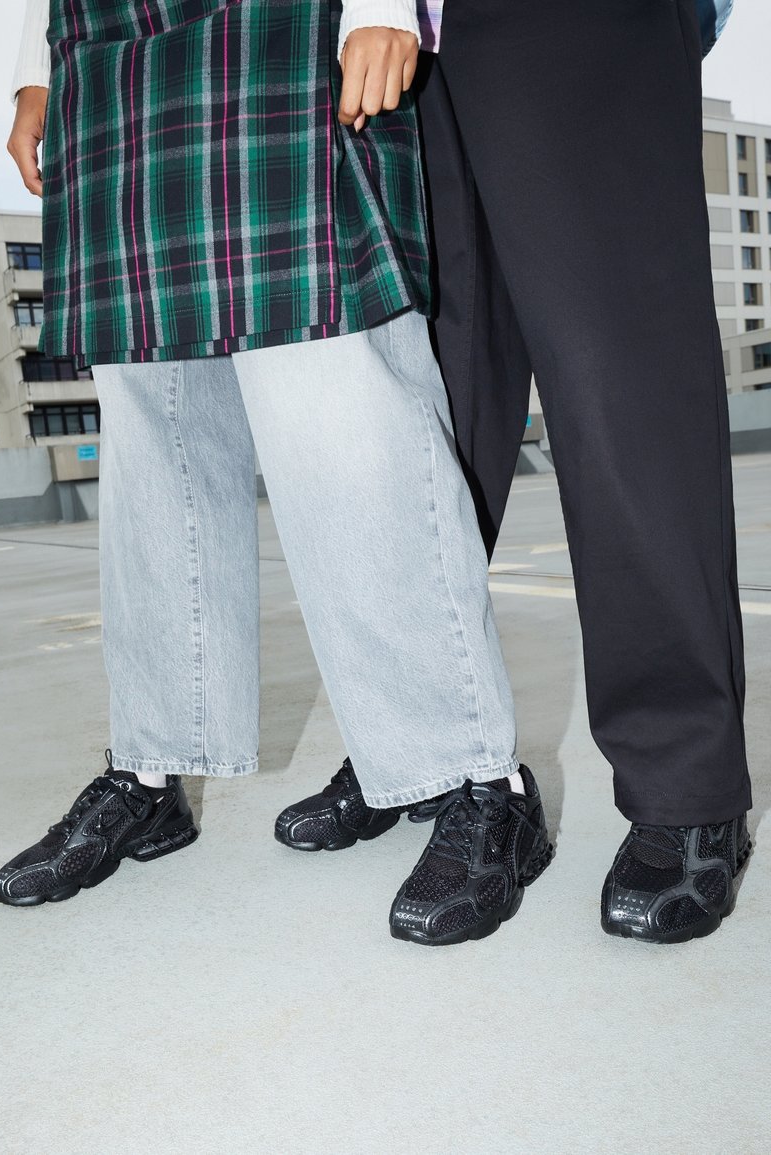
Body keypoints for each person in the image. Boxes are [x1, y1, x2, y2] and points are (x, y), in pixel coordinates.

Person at [0, 0, 553, 948]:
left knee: (346, 418)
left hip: (276, 39)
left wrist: (380, 4)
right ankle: (150, 768)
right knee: (153, 434)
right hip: (108, 59)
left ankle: (477, 776)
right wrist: (35, 64)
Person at [275, 0, 755, 945]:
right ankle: (427, 742)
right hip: (416, 38)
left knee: (619, 383)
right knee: (431, 409)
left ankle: (685, 782)